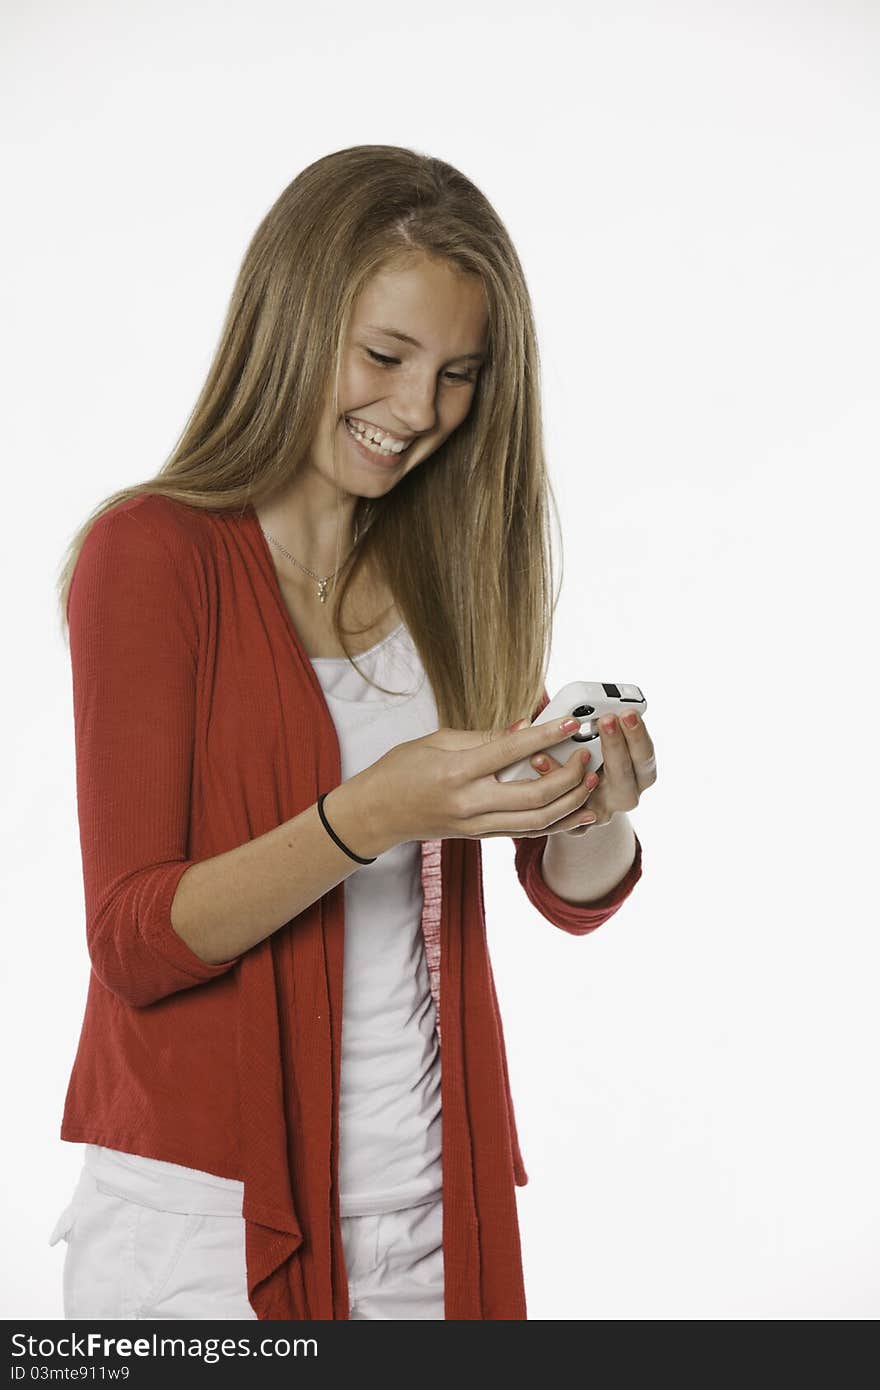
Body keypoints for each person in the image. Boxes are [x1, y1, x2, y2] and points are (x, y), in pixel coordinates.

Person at [48, 145, 654, 1321]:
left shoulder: (450, 572)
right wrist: (367, 812)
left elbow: (564, 892)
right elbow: (132, 940)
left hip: (432, 1199)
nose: (418, 412)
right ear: (292, 318)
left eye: (459, 375)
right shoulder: (154, 554)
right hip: (200, 1227)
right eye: (384, 356)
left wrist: (594, 801)